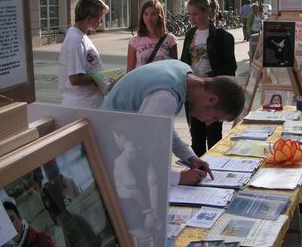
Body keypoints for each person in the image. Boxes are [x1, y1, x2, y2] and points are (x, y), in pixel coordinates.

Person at [102, 60, 244, 185]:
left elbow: (162, 127)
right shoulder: (165, 97)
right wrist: (178, 177)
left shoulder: (182, 70)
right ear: (212, 100)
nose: (208, 123)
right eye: (214, 118)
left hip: (119, 143)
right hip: (109, 153)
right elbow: (144, 153)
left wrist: (190, 157)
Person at [181, 0, 237, 157]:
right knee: (196, 136)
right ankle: (198, 169)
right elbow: (185, 60)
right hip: (193, 92)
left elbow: (231, 66)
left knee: (213, 136)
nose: (192, 18)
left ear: (207, 13)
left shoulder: (223, 37)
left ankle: (214, 167)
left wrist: (209, 76)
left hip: (212, 92)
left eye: (195, 14)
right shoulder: (190, 34)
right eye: (189, 14)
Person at [58, 0, 109, 109]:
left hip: (88, 103)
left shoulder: (80, 35)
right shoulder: (75, 40)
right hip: (81, 105)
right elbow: (75, 78)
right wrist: (101, 76)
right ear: (89, 17)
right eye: (99, 17)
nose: (101, 21)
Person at [127, 0, 177, 72]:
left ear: (160, 16)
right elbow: (130, 70)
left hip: (163, 81)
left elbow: (175, 68)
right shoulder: (134, 41)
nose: (149, 18)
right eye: (146, 14)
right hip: (143, 82)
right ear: (142, 16)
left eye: (153, 14)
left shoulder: (170, 39)